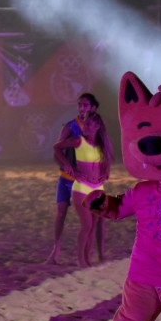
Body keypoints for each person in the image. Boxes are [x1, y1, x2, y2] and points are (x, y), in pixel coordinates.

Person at [52, 111, 113, 267]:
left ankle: (87, 258)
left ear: (97, 126)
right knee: (86, 225)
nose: (85, 126)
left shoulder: (101, 146)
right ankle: (80, 259)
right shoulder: (78, 141)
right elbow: (57, 147)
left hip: (98, 188)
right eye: (84, 123)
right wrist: (66, 165)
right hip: (81, 188)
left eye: (89, 124)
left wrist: (105, 173)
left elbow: (105, 166)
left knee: (93, 226)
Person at [46, 92, 99, 264]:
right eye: (79, 105)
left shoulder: (97, 128)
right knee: (61, 212)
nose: (81, 108)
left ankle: (92, 253)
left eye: (85, 105)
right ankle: (56, 250)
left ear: (93, 108)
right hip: (66, 178)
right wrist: (65, 165)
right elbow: (56, 151)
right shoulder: (69, 127)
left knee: (92, 217)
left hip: (86, 180)